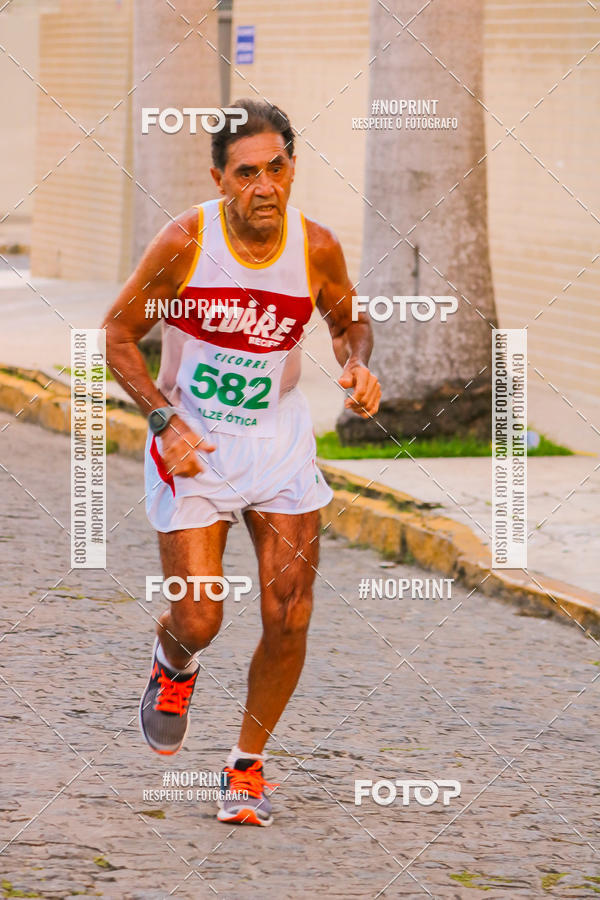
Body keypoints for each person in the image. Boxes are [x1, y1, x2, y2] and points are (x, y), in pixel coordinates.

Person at [103, 98, 381, 826]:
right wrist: (163, 421)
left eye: (277, 168)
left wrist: (356, 363)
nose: (265, 186)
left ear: (293, 168)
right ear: (219, 179)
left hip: (277, 440)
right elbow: (117, 335)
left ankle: (246, 765)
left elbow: (348, 320)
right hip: (194, 442)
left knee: (291, 611)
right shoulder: (185, 243)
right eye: (246, 173)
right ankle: (174, 660)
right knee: (199, 617)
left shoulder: (315, 247)